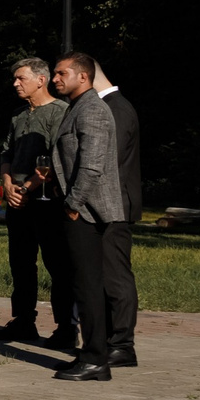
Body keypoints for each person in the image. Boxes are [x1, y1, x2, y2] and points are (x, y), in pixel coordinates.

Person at [49, 53, 123, 381]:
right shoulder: (76, 108)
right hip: (79, 209)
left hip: (87, 212)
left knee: (88, 285)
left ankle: (95, 360)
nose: (55, 79)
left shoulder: (92, 109)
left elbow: (92, 165)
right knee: (83, 284)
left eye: (61, 73)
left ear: (83, 76)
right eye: (54, 73)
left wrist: (73, 204)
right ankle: (91, 354)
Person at [0, 57, 71, 348]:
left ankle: (66, 327)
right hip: (17, 200)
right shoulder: (18, 114)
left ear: (41, 80)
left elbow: (57, 158)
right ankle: (23, 320)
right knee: (21, 263)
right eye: (14, 78)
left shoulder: (60, 112)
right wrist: (7, 184)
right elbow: (6, 153)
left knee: (57, 264)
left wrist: (27, 188)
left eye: (21, 78)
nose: (15, 83)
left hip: (46, 200)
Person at [92, 61, 142, 368]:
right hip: (104, 204)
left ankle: (123, 344)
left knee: (116, 276)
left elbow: (110, 157)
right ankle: (109, 339)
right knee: (103, 274)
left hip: (115, 204)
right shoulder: (107, 107)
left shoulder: (117, 108)